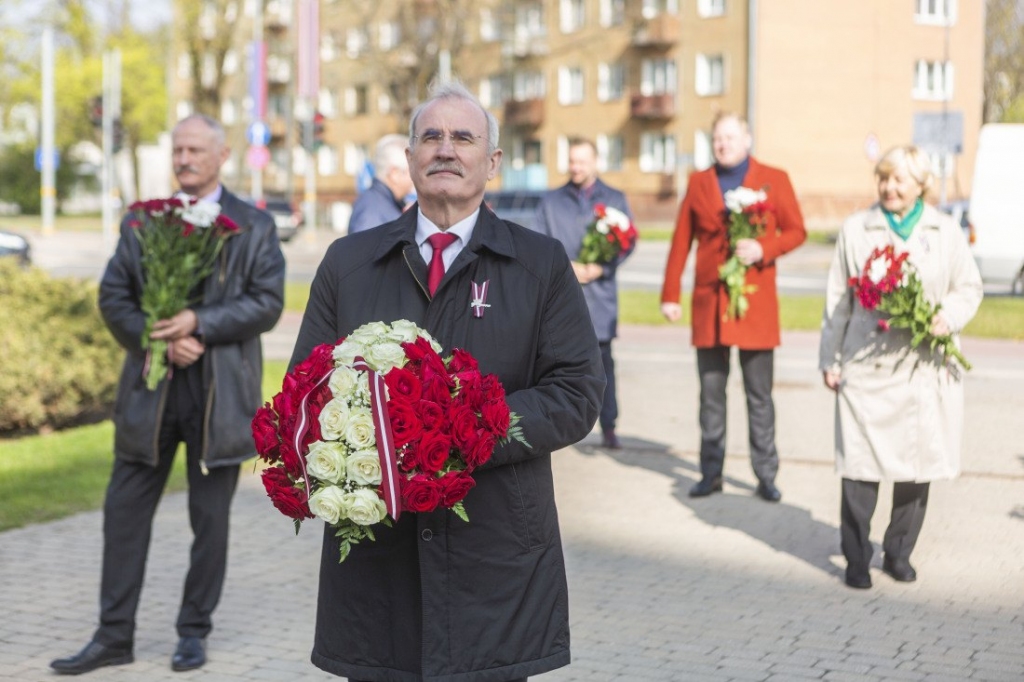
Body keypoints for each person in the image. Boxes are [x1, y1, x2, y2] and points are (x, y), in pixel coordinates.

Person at [291, 81, 604, 681]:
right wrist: (365, 443)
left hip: (496, 554)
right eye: (430, 136)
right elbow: (305, 391)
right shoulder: (348, 263)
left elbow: (576, 393)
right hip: (379, 560)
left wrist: (462, 430)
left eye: (463, 137)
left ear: (491, 162)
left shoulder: (539, 265)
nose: (445, 149)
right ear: (407, 160)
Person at [50, 114, 286, 675]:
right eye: (178, 148)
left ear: (222, 154)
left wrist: (198, 322)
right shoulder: (142, 221)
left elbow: (267, 302)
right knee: (123, 516)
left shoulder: (253, 225)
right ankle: (113, 637)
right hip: (148, 397)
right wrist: (156, 335)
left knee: (210, 525)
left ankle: (193, 632)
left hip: (218, 400)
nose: (184, 158)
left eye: (195, 149)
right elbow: (114, 296)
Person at [819, 145, 982, 589]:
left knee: (917, 461)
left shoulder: (944, 230)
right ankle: (856, 557)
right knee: (860, 463)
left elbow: (969, 287)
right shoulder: (857, 229)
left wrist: (947, 315)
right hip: (866, 366)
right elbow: (838, 300)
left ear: (921, 185)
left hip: (923, 366)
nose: (889, 187)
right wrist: (829, 359)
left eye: (899, 180)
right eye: (884, 178)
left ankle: (898, 552)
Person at [660, 111, 806, 502]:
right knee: (711, 394)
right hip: (709, 305)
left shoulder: (774, 178)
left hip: (754, 305)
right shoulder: (698, 182)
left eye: (730, 136)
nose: (723, 143)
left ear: (747, 138)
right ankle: (711, 473)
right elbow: (681, 242)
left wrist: (764, 248)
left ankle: (766, 474)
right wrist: (670, 294)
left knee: (759, 395)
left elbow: (796, 231)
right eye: (717, 138)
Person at [531, 137, 635, 449]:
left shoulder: (614, 199)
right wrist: (564, 267)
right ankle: (560, 426)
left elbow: (628, 241)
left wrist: (601, 268)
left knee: (603, 365)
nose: (576, 167)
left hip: (600, 296)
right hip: (562, 298)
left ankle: (609, 425)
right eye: (572, 161)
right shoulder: (551, 202)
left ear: (595, 162)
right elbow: (537, 242)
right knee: (557, 364)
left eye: (582, 161)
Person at [347, 133, 415, 234]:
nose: (415, 177)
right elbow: (366, 248)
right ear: (394, 174)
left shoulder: (383, 203)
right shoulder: (372, 212)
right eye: (412, 170)